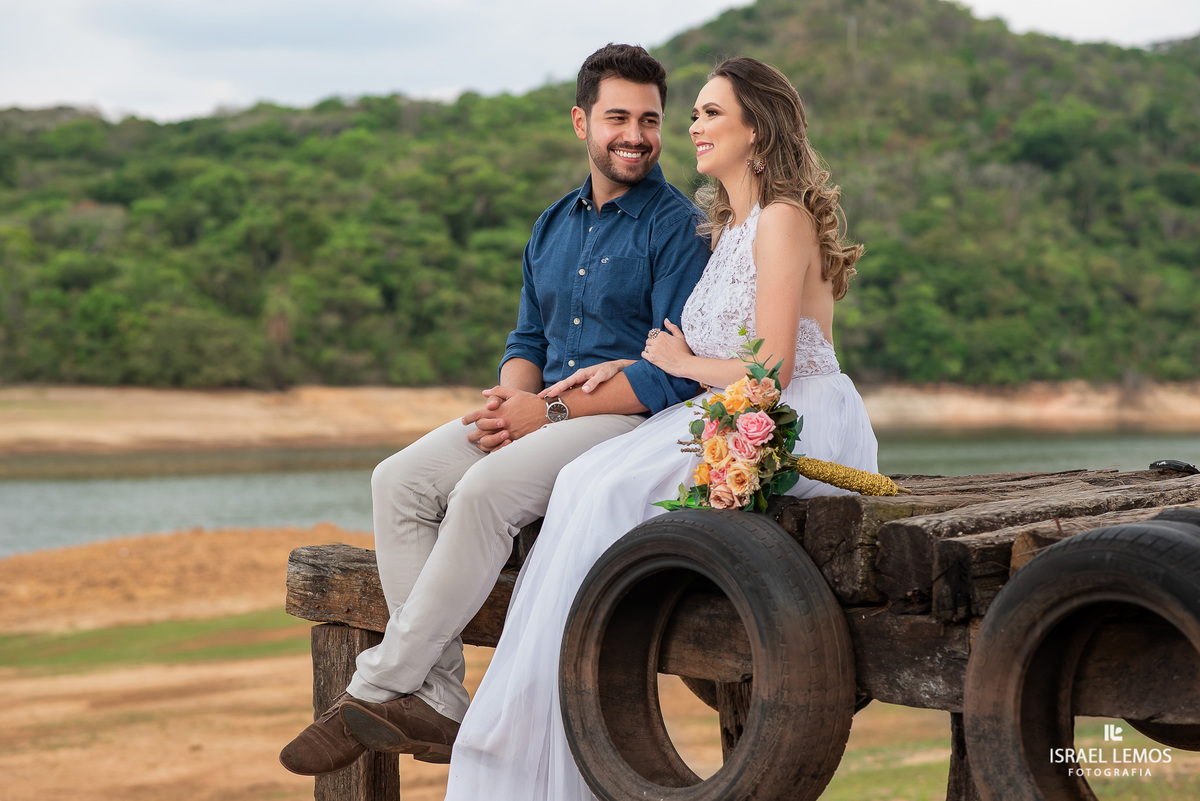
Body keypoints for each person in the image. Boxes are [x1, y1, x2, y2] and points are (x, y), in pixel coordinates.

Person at [443, 57, 878, 800]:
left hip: (792, 419)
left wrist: (680, 358)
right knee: (584, 479)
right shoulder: (729, 226)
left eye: (712, 114)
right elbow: (698, 356)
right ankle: (540, 718)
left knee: (603, 490)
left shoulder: (781, 220)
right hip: (729, 408)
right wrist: (620, 366)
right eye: (696, 115)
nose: (693, 129)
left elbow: (768, 371)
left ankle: (570, 711)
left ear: (758, 129)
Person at [278, 43, 711, 776]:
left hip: (624, 423)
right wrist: (511, 397)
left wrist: (548, 416)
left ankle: (377, 685)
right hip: (541, 412)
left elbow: (668, 374)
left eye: (649, 119)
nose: (634, 133)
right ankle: (440, 695)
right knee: (399, 480)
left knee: (479, 494)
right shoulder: (551, 225)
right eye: (617, 117)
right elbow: (528, 337)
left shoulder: (678, 226)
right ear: (581, 122)